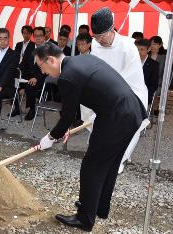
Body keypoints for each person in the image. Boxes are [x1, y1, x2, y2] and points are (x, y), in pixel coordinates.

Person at [35, 42, 147, 232]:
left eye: (42, 66)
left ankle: (85, 218)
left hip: (116, 117)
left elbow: (68, 115)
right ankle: (99, 208)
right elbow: (99, 89)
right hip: (131, 110)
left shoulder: (67, 77)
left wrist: (51, 137)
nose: (43, 72)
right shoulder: (82, 60)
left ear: (51, 60)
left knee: (92, 166)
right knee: (110, 163)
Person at [88, 7, 148, 173]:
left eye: (102, 36)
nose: (99, 40)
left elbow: (129, 79)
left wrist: (111, 97)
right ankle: (101, 154)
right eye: (96, 36)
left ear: (111, 29)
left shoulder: (128, 46)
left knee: (126, 124)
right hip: (105, 92)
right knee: (93, 117)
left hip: (130, 93)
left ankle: (118, 160)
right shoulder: (96, 43)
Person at [12, 26, 48, 120]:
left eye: (40, 36)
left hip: (42, 77)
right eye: (36, 36)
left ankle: (32, 109)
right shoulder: (30, 47)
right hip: (28, 75)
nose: (38, 38)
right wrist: (16, 70)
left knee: (30, 86)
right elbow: (23, 63)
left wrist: (36, 77)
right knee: (12, 81)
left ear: (44, 37)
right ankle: (16, 107)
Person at [135, 38, 159, 105]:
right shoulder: (131, 61)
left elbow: (153, 85)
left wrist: (144, 95)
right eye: (137, 49)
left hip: (144, 95)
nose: (138, 52)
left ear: (148, 49)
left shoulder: (154, 65)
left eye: (142, 49)